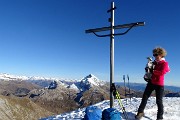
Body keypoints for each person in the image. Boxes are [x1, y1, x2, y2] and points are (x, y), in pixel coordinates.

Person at [135, 47, 170, 120]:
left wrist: (152, 71)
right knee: (145, 97)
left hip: (159, 84)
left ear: (161, 54)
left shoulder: (165, 63)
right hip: (151, 82)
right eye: (154, 55)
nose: (155, 56)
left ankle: (160, 117)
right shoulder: (153, 63)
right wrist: (147, 72)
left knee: (159, 101)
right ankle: (140, 112)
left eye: (156, 54)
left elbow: (162, 72)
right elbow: (149, 70)